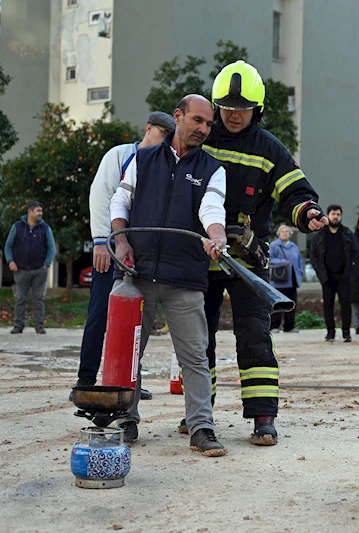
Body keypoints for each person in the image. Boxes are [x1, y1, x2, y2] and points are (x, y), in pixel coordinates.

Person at [202, 61, 326, 446]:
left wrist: (307, 213)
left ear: (257, 108)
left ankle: (263, 418)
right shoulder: (200, 141)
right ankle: (199, 414)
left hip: (247, 262)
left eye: (242, 107)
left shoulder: (269, 149)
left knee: (255, 336)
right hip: (200, 257)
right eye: (226, 106)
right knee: (196, 340)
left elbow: (295, 192)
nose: (233, 114)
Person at [109, 94, 227, 456]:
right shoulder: (142, 159)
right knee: (126, 354)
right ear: (178, 117)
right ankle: (124, 419)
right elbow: (120, 200)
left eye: (209, 125)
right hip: (136, 274)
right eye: (197, 121)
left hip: (185, 278)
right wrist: (122, 240)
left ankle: (201, 427)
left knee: (194, 356)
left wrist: (217, 235)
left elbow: (212, 207)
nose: (204, 130)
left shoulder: (213, 169)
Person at [72, 111, 174, 395]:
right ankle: (86, 379)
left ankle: (127, 382)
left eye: (170, 136)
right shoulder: (119, 155)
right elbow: (101, 194)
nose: (166, 140)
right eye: (163, 133)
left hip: (143, 252)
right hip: (113, 246)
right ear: (149, 128)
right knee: (100, 313)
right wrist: (101, 241)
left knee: (136, 321)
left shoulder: (163, 165)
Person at [4, 200, 55, 334]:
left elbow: (51, 247)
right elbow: (8, 245)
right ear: (30, 212)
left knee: (39, 298)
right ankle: (18, 325)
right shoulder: (17, 227)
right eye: (38, 211)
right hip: (20, 269)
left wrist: (46, 264)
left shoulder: (45, 228)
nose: (40, 213)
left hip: (39, 270)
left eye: (41, 211)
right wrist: (10, 261)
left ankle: (39, 326)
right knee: (20, 298)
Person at [310, 205, 355, 342]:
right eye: (333, 214)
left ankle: (346, 332)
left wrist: (350, 272)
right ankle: (330, 332)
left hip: (344, 277)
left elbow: (354, 253)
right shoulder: (320, 235)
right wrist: (320, 273)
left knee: (346, 305)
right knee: (328, 306)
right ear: (328, 216)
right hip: (327, 277)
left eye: (338, 214)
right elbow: (313, 255)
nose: (336, 216)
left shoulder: (347, 233)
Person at [268, 224, 303, 333]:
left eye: (287, 231)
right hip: (279, 280)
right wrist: (282, 262)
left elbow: (299, 261)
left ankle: (289, 326)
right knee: (277, 304)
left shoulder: (294, 246)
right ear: (278, 233)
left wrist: (300, 273)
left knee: (291, 303)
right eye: (283, 231)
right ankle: (274, 326)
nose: (285, 233)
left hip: (292, 279)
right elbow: (269, 259)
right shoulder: (274, 245)